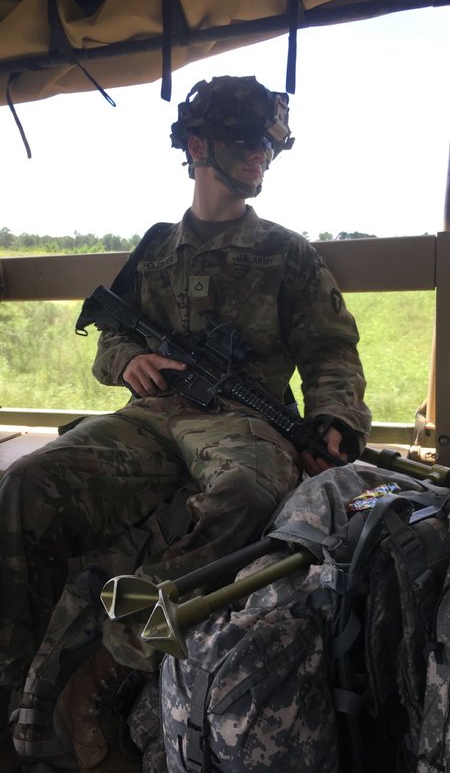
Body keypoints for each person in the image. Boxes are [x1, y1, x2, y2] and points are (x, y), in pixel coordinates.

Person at [0, 75, 371, 772]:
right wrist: (131, 359)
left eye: (269, 146)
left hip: (243, 423)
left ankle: (108, 662)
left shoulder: (288, 253)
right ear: (198, 148)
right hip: (150, 418)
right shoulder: (156, 249)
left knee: (248, 497)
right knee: (26, 484)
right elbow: (109, 338)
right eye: (246, 142)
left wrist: (335, 421)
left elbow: (331, 353)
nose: (261, 157)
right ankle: (13, 685)